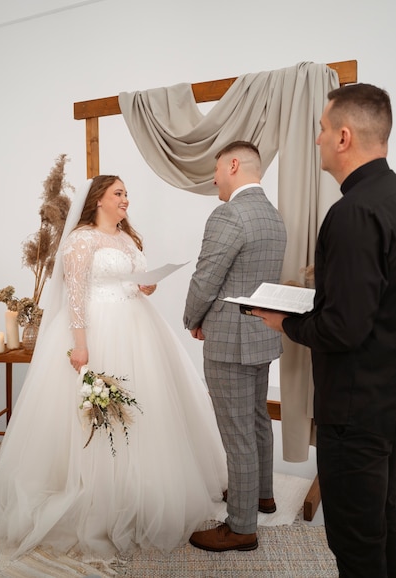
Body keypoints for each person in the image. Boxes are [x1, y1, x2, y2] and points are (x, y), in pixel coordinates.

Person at [0, 175, 228, 563]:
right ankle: (98, 494)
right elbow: (75, 294)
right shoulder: (81, 240)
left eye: (127, 193)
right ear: (99, 200)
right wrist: (80, 345)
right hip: (97, 328)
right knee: (98, 418)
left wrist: (148, 286)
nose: (126, 199)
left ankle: (140, 493)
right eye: (119, 193)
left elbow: (133, 280)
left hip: (138, 328)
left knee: (146, 411)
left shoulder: (128, 239)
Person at [253, 83, 396, 578]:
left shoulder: (352, 212)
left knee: (357, 545)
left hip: (356, 412)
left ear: (343, 136)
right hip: (389, 398)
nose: (315, 140)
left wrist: (285, 320)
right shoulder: (391, 196)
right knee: (387, 533)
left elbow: (344, 327)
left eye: (319, 129)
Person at [183, 141, 287, 552]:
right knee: (258, 420)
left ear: (233, 165)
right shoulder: (273, 217)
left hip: (228, 340)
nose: (213, 179)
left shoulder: (229, 214)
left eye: (216, 170)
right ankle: (261, 495)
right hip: (262, 335)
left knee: (237, 431)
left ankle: (241, 527)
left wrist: (192, 318)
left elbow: (206, 278)